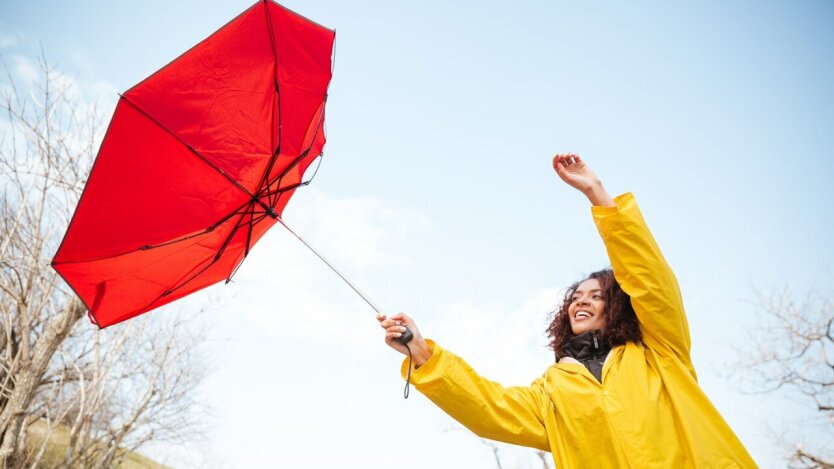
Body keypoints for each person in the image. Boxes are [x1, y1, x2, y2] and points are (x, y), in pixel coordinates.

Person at [378, 154, 756, 468]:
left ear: (620, 307)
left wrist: (598, 196)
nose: (581, 300)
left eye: (596, 295)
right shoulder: (553, 391)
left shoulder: (660, 350)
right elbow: (488, 407)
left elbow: (650, 280)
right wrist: (423, 354)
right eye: (576, 296)